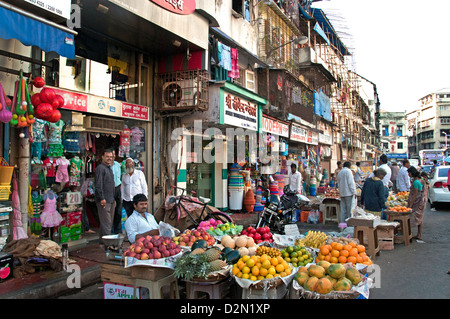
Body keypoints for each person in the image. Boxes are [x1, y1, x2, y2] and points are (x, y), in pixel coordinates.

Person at [95, 149, 116, 246]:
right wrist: (102, 198)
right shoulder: (100, 168)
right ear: (102, 157)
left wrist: (113, 199)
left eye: (111, 157)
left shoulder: (109, 168)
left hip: (110, 199)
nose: (109, 159)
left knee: (108, 223)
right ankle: (109, 245)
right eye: (107, 157)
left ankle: (102, 242)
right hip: (104, 200)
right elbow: (98, 185)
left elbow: (111, 185)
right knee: (107, 224)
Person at [407, 166, 426, 240]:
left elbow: (415, 194)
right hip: (421, 201)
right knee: (420, 218)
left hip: (417, 202)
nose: (408, 175)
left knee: (412, 217)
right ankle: (419, 234)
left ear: (411, 173)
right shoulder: (421, 179)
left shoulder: (415, 182)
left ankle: (408, 233)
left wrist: (410, 205)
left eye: (409, 173)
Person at [111, 150, 123, 234]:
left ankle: (117, 230)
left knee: (118, 210)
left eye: (114, 154)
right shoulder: (105, 166)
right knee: (110, 210)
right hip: (110, 188)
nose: (113, 156)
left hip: (118, 188)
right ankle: (110, 230)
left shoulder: (117, 165)